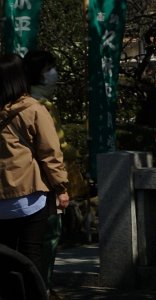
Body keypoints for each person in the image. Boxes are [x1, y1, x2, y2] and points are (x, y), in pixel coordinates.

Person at [23, 50, 87, 299]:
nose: (55, 74)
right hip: (46, 185)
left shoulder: (22, 103)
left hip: (31, 184)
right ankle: (42, 287)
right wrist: (75, 152)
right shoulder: (40, 107)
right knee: (48, 238)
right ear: (38, 74)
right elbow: (54, 149)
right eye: (50, 69)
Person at [0, 54, 69, 285]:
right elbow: (50, 154)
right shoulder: (33, 110)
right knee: (32, 255)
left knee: (5, 258)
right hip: (30, 197)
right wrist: (61, 188)